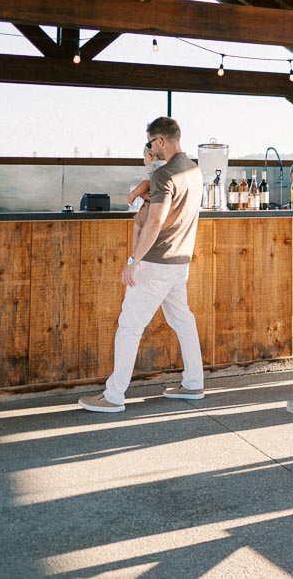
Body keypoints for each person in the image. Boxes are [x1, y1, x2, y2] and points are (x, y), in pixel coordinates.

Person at [80, 117, 205, 413]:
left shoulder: (165, 175)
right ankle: (194, 382)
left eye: (150, 143)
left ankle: (113, 396)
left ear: (160, 141)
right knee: (183, 320)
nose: (149, 148)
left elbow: (156, 221)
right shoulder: (194, 170)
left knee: (129, 326)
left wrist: (133, 260)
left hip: (156, 262)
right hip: (180, 261)